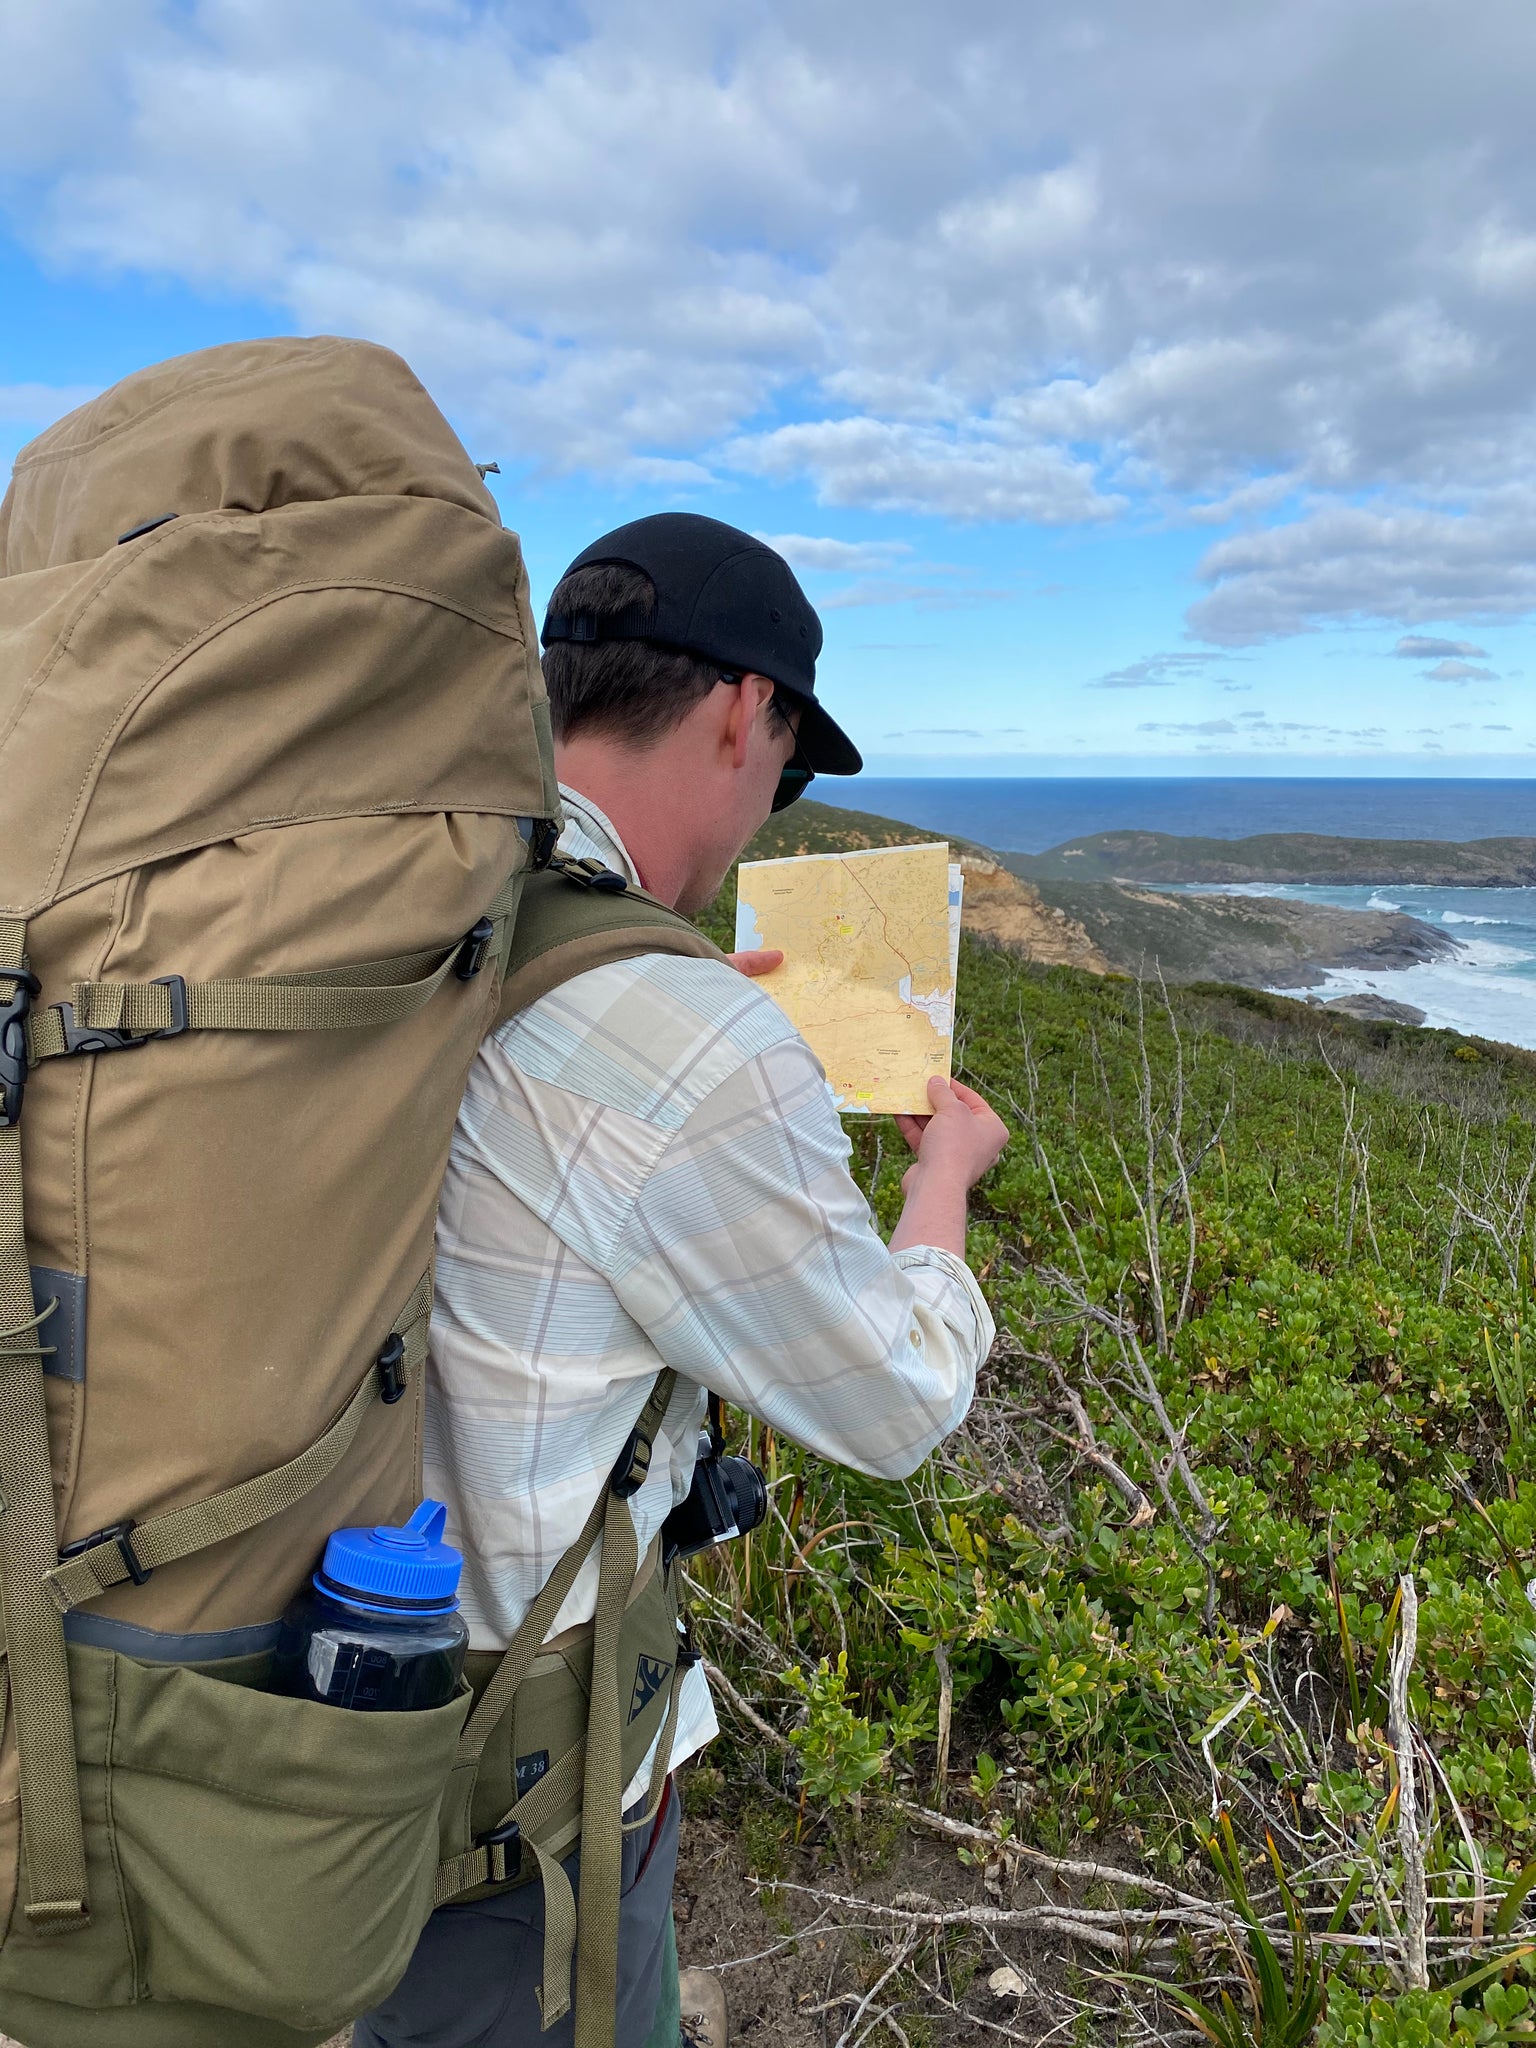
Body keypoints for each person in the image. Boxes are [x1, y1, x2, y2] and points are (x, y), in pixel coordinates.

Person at [353, 514, 1008, 2048]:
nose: (770, 810)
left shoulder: (421, 915)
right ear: (739, 712)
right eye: (785, 766)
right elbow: (896, 1395)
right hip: (518, 1788)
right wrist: (940, 1189)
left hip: (307, 1706)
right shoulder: (689, 1043)